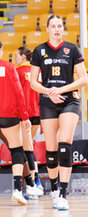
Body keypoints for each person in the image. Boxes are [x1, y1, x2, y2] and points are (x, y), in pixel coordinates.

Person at [30, 15, 88, 210]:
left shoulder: (71, 49)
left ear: (63, 28)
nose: (57, 29)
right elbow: (32, 82)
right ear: (47, 29)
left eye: (60, 26)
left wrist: (60, 90)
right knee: (51, 152)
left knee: (65, 146)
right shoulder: (39, 51)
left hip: (69, 100)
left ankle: (63, 193)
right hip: (47, 101)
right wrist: (49, 92)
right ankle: (54, 189)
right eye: (53, 26)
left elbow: (83, 79)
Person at [0, 41, 32, 205]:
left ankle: (31, 185)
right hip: (7, 115)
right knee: (17, 151)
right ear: (1, 50)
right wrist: (25, 117)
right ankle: (18, 190)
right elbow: (19, 93)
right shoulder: (9, 67)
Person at [14, 46, 44, 198]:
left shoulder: (17, 72)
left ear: (23, 57)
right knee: (29, 146)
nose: (15, 59)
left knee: (26, 149)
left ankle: (35, 183)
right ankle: (34, 182)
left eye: (16, 56)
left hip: (24, 115)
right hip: (37, 113)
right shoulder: (37, 71)